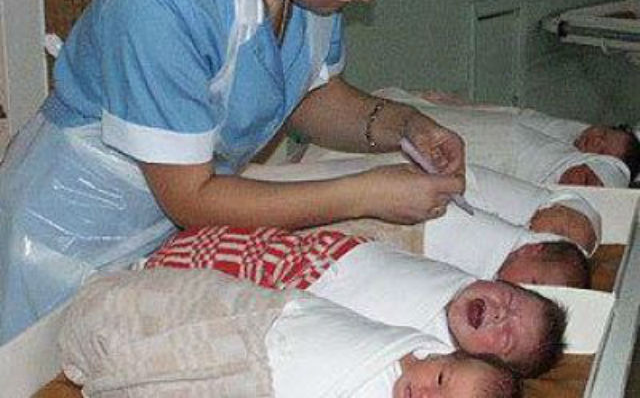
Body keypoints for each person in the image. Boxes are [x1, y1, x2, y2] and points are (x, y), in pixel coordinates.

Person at [0, 0, 468, 344]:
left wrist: (404, 125)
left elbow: (305, 96)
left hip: (160, 229)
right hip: (59, 239)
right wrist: (365, 194)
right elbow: (191, 199)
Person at [146, 228, 568, 377]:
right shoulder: (466, 281)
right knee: (191, 246)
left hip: (290, 297)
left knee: (175, 293)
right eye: (510, 299)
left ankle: (143, 275)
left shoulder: (432, 355)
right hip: (308, 253)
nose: (501, 314)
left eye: (506, 336)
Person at [58, 268, 522, 398]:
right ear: (437, 356)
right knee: (150, 308)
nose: (426, 395)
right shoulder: (402, 347)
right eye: (440, 381)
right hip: (263, 322)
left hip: (254, 384)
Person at [240, 157, 599, 286]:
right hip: (403, 219)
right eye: (533, 281)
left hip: (388, 237)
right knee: (274, 205)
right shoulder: (501, 239)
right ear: (532, 250)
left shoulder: (493, 274)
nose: (526, 290)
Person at [302, 87, 640, 187]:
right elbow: (509, 117)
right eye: (602, 134)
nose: (594, 139)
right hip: (482, 136)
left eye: (601, 149)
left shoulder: (573, 167)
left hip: (488, 152)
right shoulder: (555, 132)